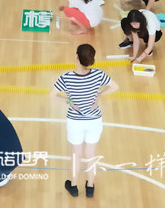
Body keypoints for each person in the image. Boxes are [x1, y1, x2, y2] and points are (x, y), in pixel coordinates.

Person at [50, 44, 119, 198]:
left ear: (76, 57)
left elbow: (52, 95)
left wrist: (69, 100)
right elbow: (115, 86)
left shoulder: (66, 77)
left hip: (75, 121)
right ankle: (90, 187)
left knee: (76, 154)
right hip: (94, 120)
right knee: (91, 153)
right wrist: (99, 95)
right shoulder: (98, 74)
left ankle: (74, 186)